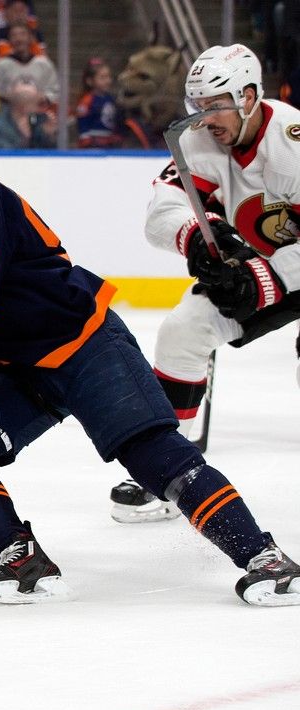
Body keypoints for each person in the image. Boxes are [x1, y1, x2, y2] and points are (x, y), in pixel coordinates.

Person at [0, 94, 300, 606]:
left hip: (84, 344)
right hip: (22, 357)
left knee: (153, 455)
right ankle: (23, 560)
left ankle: (267, 560)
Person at [108, 44, 300, 524]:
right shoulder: (198, 141)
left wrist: (267, 277)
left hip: (281, 269)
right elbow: (160, 213)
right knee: (183, 330)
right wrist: (198, 236)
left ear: (250, 96)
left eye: (216, 105)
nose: (205, 118)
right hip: (263, 267)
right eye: (198, 105)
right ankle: (174, 470)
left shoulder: (292, 142)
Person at [0, 77, 55, 148]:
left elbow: (52, 153)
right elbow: (7, 156)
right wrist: (28, 138)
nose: (41, 109)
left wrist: (47, 135)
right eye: (37, 104)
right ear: (24, 107)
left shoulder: (39, 121)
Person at [75, 56, 121, 149]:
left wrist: (116, 136)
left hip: (109, 143)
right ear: (89, 81)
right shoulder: (86, 100)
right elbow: (82, 121)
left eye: (108, 77)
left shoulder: (111, 99)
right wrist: (85, 138)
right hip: (92, 143)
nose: (107, 81)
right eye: (102, 78)